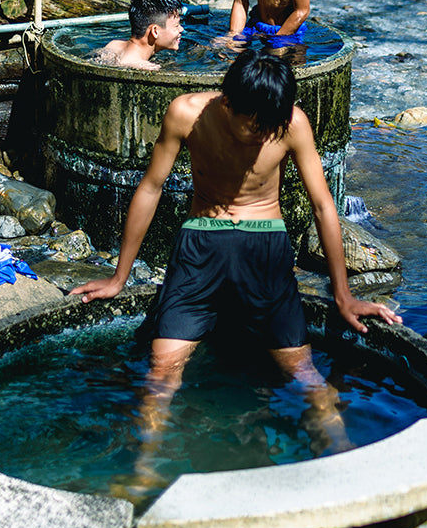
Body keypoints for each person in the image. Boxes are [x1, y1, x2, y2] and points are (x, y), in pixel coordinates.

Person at [71, 40, 400, 440]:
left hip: (264, 249)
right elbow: (151, 187)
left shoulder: (291, 122)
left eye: (269, 124)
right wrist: (118, 277)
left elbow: (323, 206)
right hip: (201, 246)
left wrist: (343, 295)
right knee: (161, 375)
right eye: (254, 123)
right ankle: (142, 479)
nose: (262, 133)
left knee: (305, 374)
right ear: (227, 102)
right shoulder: (186, 113)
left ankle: (341, 458)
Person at [95, 0, 183, 71]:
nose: (181, 29)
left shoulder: (113, 45)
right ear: (155, 31)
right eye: (176, 25)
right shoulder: (145, 68)